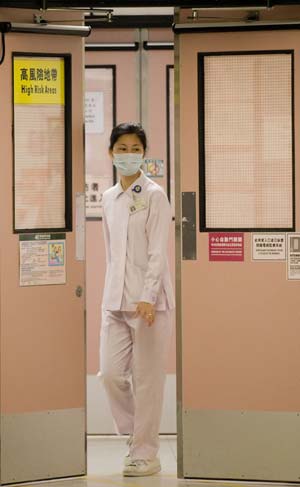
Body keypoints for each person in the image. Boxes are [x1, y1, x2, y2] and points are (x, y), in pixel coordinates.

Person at [99, 122, 175, 477]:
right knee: (111, 375)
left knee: (148, 381)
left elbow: (159, 251)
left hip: (150, 306)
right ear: (111, 153)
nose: (128, 154)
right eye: (122, 148)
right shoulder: (108, 197)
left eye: (134, 148)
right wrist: (112, 293)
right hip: (115, 302)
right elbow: (112, 252)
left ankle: (147, 453)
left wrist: (147, 295)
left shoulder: (155, 195)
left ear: (143, 153)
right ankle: (136, 437)